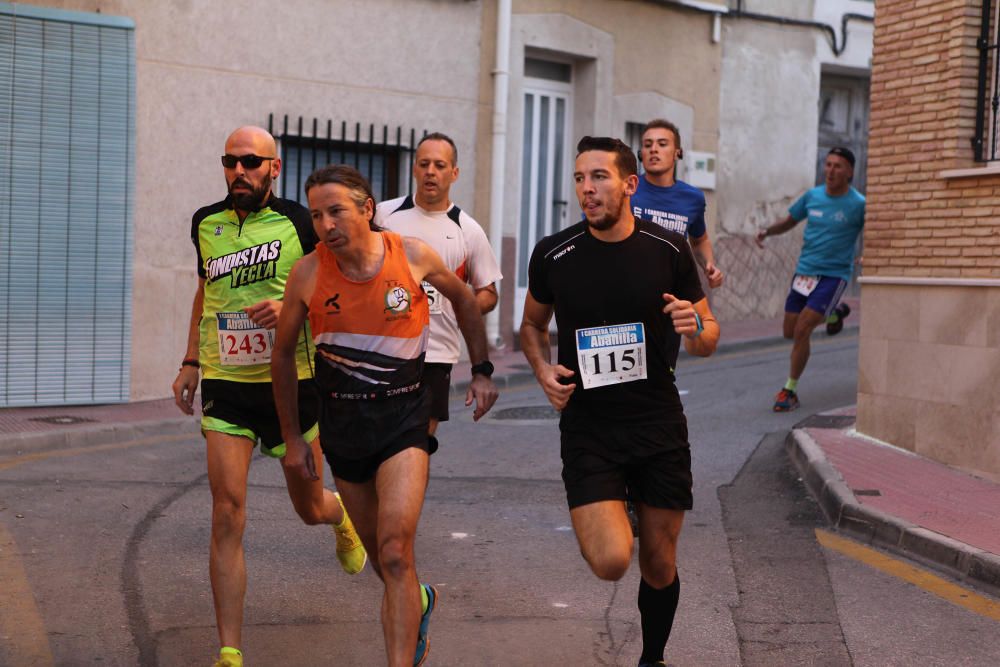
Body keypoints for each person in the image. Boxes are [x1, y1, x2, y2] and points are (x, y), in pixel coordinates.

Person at [271, 164, 499, 666]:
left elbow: (465, 299)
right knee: (383, 560)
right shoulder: (307, 273)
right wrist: (292, 439)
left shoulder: (410, 255)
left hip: (404, 421)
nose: (325, 225)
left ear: (367, 210)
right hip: (343, 428)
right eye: (315, 215)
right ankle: (416, 602)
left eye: (335, 211)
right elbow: (283, 354)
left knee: (396, 551)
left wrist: (481, 370)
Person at [171, 126, 367, 667]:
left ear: (274, 169)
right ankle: (229, 650)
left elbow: (340, 285)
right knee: (227, 513)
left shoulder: (301, 222)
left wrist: (294, 309)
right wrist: (191, 360)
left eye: (251, 162)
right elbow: (206, 289)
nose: (240, 171)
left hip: (291, 387)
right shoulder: (204, 223)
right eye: (231, 161)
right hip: (227, 385)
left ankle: (340, 517)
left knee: (309, 508)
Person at [520, 136, 720, 667]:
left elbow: (708, 335)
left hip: (656, 421)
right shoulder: (554, 253)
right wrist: (542, 370)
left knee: (658, 562)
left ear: (629, 184)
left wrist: (696, 324)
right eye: (580, 179)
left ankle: (652, 658)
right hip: (590, 426)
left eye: (600, 177)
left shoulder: (669, 248)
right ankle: (618, 506)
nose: (588, 189)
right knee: (612, 560)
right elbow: (532, 327)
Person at [375, 132, 502, 453]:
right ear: (414, 170)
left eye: (440, 165)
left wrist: (460, 301)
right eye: (424, 164)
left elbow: (489, 293)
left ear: (454, 173)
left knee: (418, 444)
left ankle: (403, 503)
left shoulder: (467, 229)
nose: (431, 171)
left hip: (436, 353)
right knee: (378, 439)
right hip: (382, 347)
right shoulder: (382, 217)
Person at [755, 146, 865, 412]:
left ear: (849, 171)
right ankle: (834, 313)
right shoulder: (812, 197)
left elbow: (874, 229)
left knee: (804, 328)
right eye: (827, 165)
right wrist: (767, 231)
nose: (830, 171)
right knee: (790, 332)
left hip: (833, 275)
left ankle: (789, 390)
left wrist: (869, 255)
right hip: (805, 272)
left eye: (837, 166)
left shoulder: (859, 204)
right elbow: (790, 221)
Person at [633, 119, 724, 288]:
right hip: (630, 288)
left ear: (677, 153)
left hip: (674, 291)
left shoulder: (693, 198)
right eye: (647, 145)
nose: (654, 149)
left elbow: (699, 241)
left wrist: (709, 266)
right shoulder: (625, 190)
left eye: (662, 144)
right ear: (641, 154)